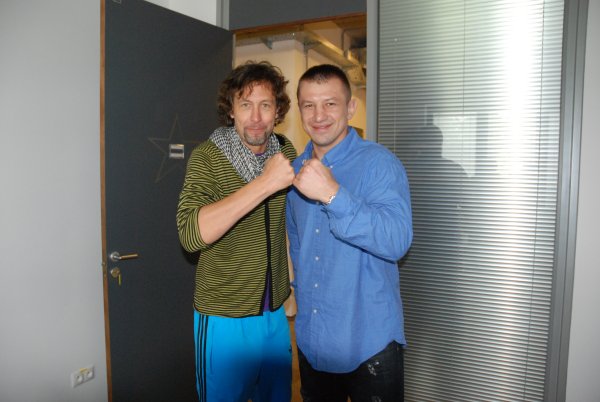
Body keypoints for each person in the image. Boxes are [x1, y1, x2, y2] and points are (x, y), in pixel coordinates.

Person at [286, 64, 413, 401]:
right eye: (309, 105)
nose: (319, 115)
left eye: (330, 103)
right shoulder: (296, 171)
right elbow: (298, 247)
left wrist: (333, 195)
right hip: (313, 340)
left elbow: (397, 240)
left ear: (350, 107)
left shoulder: (379, 164)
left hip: (370, 345)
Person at [177, 60, 297, 402]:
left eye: (265, 105)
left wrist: (291, 287)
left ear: (278, 111)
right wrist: (265, 183)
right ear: (231, 110)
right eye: (245, 105)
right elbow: (190, 234)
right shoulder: (208, 158)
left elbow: (286, 226)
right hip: (224, 317)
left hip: (274, 315)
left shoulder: (285, 152)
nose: (256, 117)